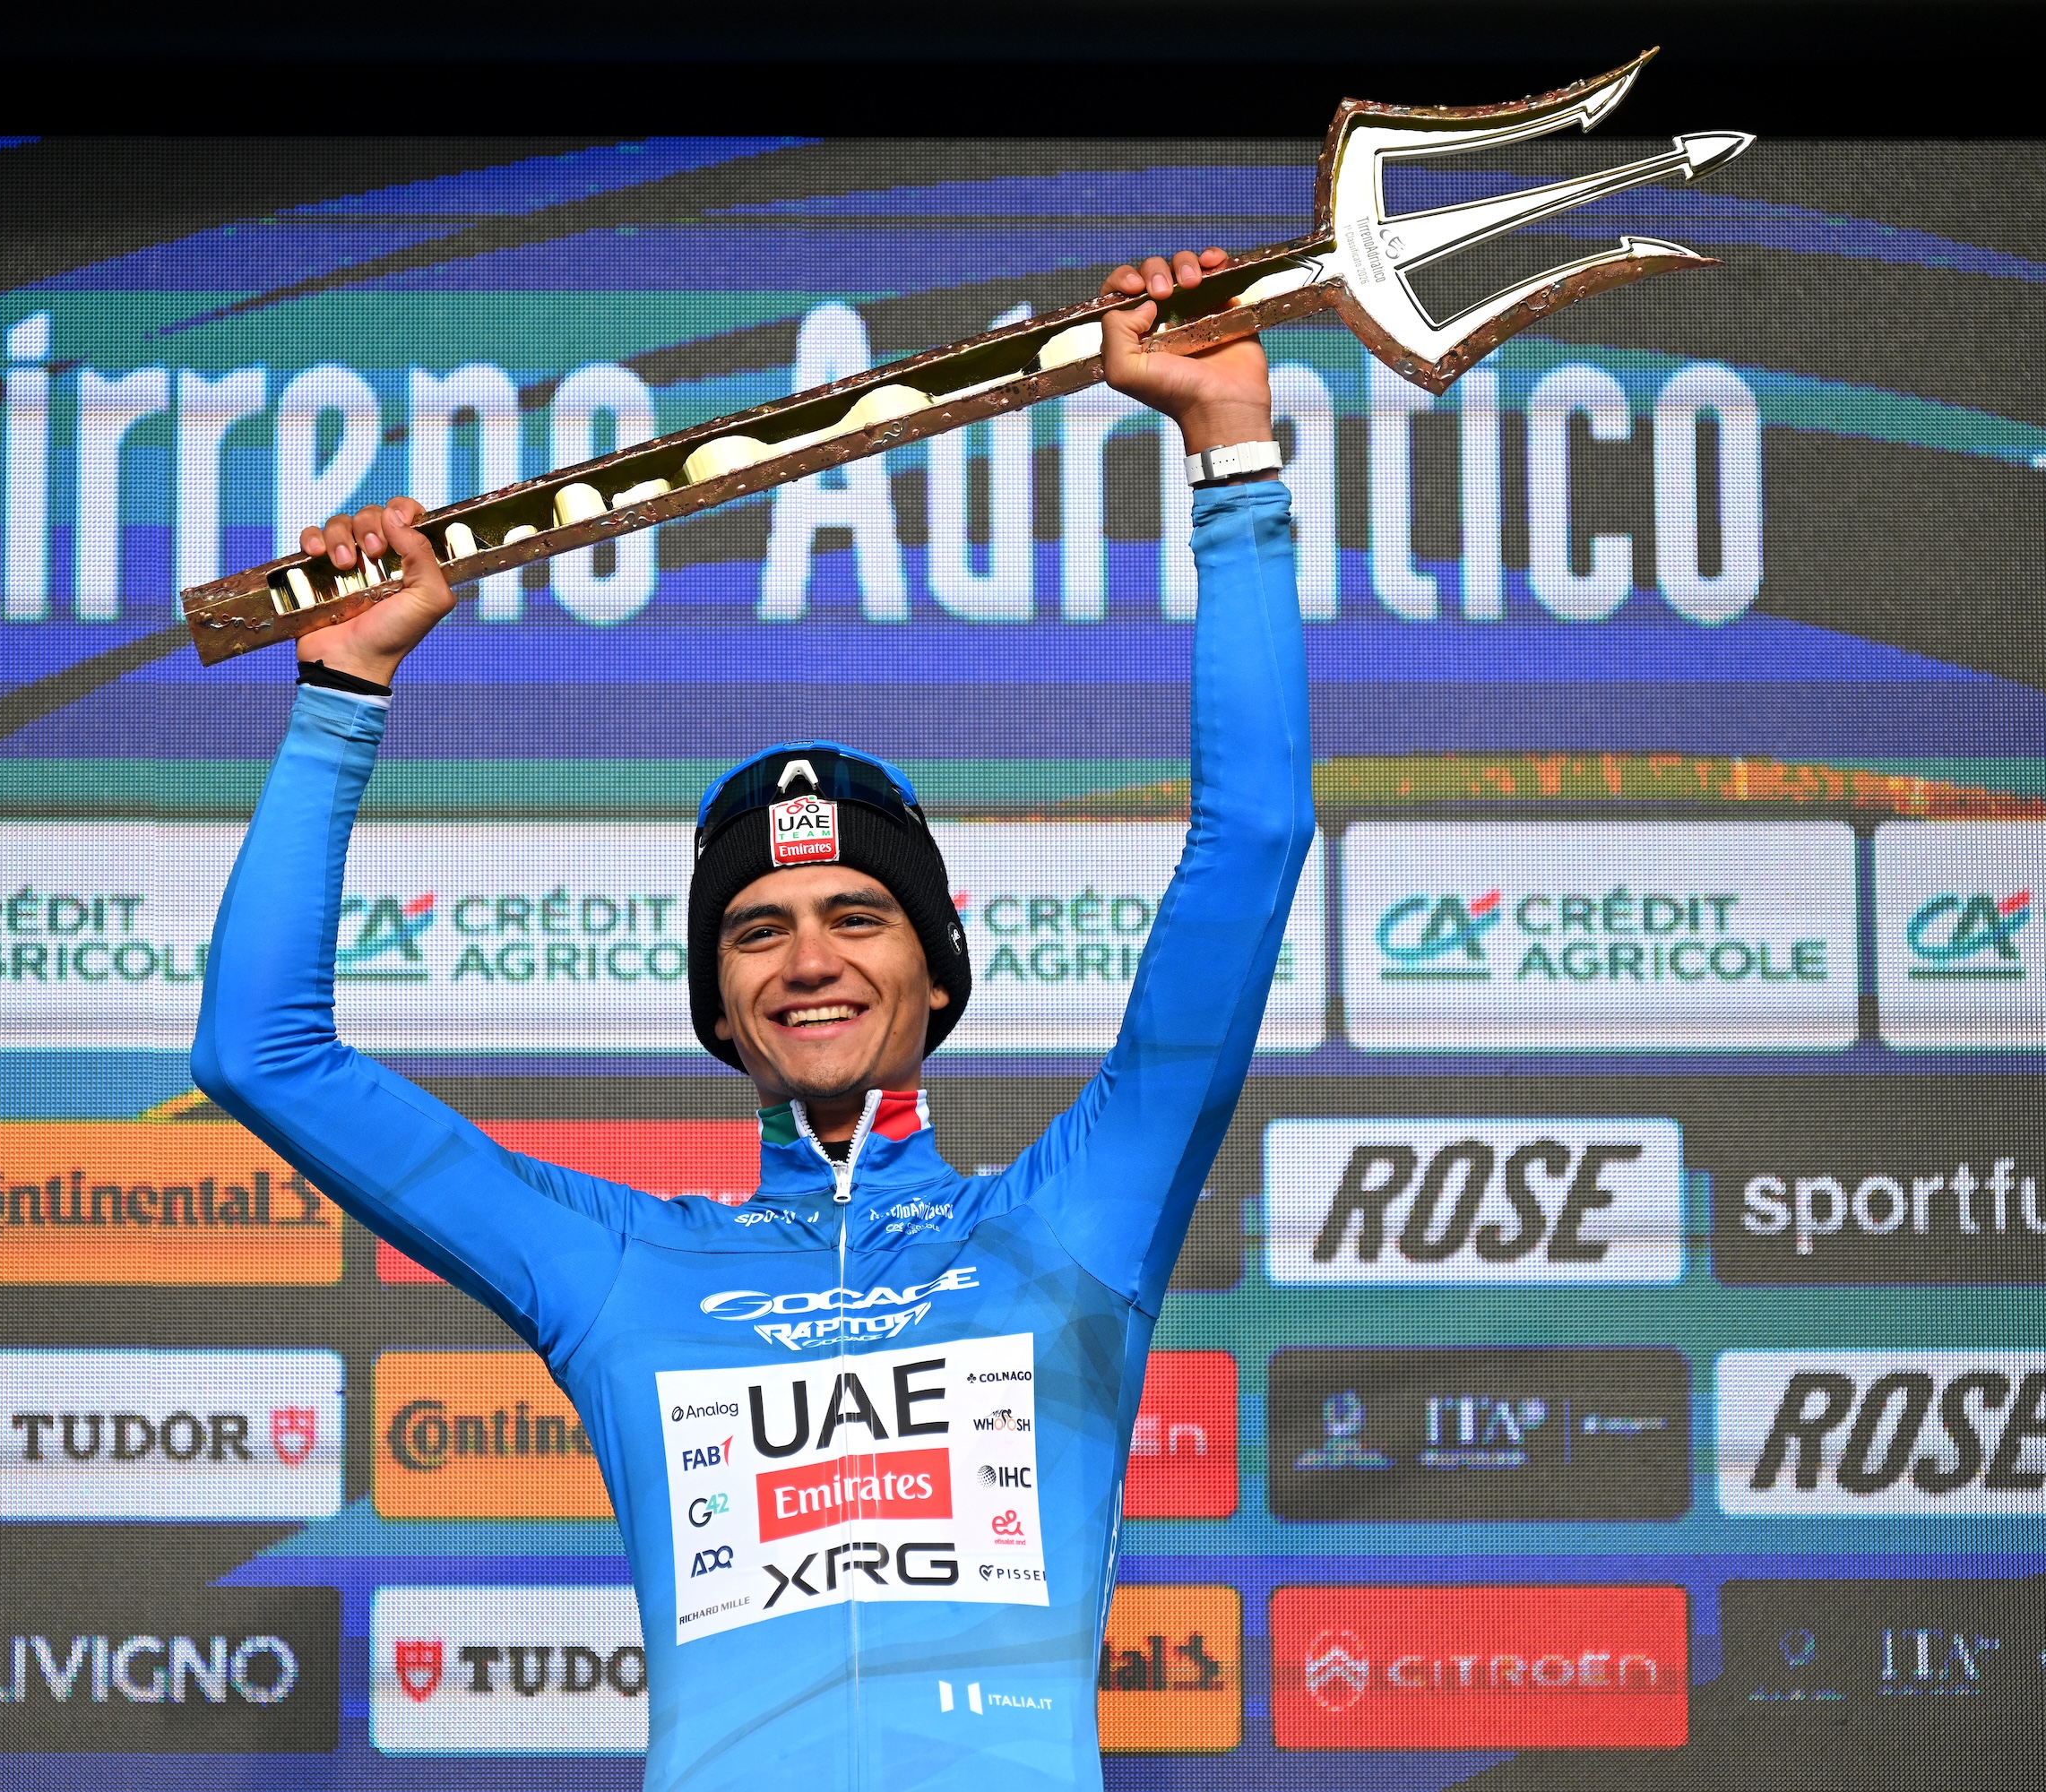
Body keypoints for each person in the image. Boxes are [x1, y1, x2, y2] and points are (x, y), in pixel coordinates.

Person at [193, 246, 1314, 1790]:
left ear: (936, 964)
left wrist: (1228, 444)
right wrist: (341, 693)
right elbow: (261, 1055)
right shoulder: (623, 1270)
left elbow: (1252, 838)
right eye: (756, 930)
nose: (809, 961)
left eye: (858, 916)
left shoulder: (1078, 1221)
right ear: (718, 1000)